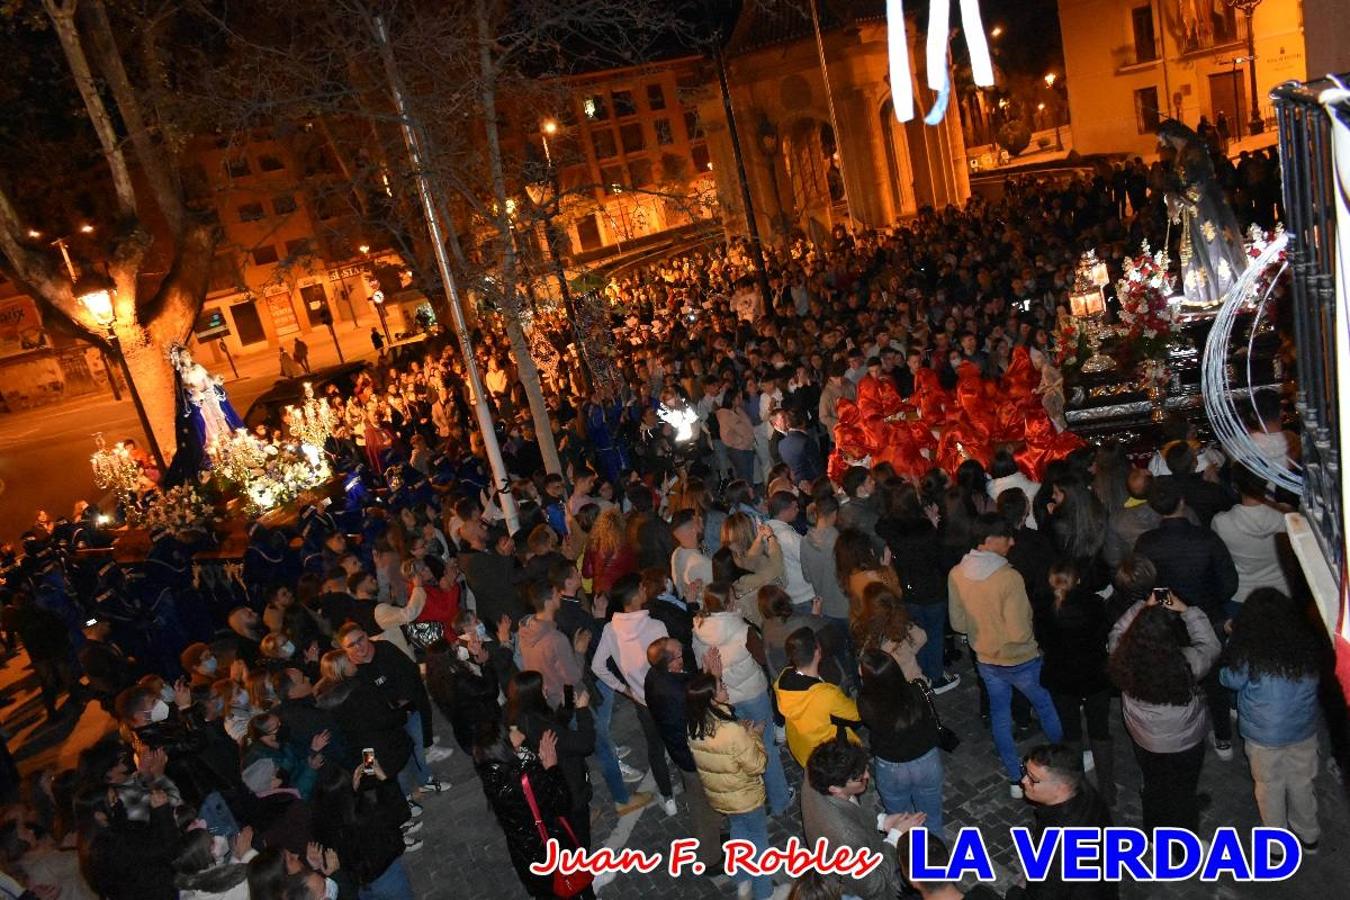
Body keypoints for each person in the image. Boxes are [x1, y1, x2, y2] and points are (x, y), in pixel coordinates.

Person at [948, 514, 1063, 797]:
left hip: (986, 658)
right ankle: (1061, 765)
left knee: (1000, 716)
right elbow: (1019, 630)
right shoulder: (1008, 577)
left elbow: (959, 624)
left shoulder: (957, 573)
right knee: (1046, 705)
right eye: (1007, 537)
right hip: (1020, 659)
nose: (1012, 542)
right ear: (989, 541)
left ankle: (1015, 778)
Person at [1220, 588, 1325, 852]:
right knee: (1302, 781)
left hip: (1263, 733)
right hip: (1303, 729)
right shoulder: (1309, 646)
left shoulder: (1251, 650)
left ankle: (1277, 846)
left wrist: (1233, 641)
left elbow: (1229, 680)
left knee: (1270, 786)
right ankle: (1308, 834)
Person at [1108, 589, 1220, 834]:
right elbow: (1210, 646)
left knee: (1153, 785)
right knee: (1184, 789)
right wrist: (1188, 611)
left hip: (1144, 738)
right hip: (1184, 741)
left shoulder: (1122, 657)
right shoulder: (1187, 662)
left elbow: (1116, 631)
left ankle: (1153, 830)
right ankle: (1182, 844)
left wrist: (1142, 608)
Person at [691, 582, 791, 815]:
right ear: (728, 602)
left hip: (724, 697)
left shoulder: (698, 627)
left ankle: (751, 795)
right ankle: (780, 799)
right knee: (765, 745)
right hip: (752, 694)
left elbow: (700, 663)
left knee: (740, 747)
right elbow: (762, 659)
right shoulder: (741, 628)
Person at [589, 575, 677, 816]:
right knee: (678, 741)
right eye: (641, 586)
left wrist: (624, 689)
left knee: (655, 748)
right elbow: (672, 661)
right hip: (667, 696)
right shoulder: (656, 626)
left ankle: (668, 799)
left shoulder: (610, 629)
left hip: (641, 700)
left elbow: (598, 666)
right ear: (635, 595)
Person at [684, 670, 773, 900]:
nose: (725, 687)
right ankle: (765, 892)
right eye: (721, 686)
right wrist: (754, 736)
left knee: (738, 832)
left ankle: (742, 880)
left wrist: (741, 731)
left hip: (722, 796)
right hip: (745, 796)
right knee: (758, 839)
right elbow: (757, 765)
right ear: (712, 699)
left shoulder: (694, 727)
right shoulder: (732, 732)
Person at [474, 723, 588, 899]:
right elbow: (562, 803)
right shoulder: (527, 778)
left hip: (525, 854)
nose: (514, 727)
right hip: (550, 849)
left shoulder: (491, 773)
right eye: (509, 731)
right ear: (505, 747)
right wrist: (551, 767)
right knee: (566, 888)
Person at [800, 738, 922, 900]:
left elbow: (851, 811)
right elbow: (873, 885)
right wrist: (895, 838)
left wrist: (882, 821)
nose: (867, 775)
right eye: (858, 777)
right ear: (835, 788)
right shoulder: (845, 838)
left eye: (864, 768)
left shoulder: (813, 772)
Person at [1034, 561, 1116, 805]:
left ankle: (1077, 791)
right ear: (1078, 580)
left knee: (1071, 733)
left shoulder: (1043, 607)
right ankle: (1108, 791)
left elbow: (1042, 640)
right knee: (1100, 730)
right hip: (1094, 676)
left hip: (1061, 677)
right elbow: (1104, 634)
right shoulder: (1095, 604)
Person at [506, 671, 597, 850]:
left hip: (552, 788)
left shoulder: (519, 715)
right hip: (570, 790)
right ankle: (585, 871)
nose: (546, 688)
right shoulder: (541, 726)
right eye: (542, 686)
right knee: (579, 837)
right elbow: (585, 744)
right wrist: (582, 710)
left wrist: (566, 708)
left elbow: (556, 732)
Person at [856, 648, 943, 834]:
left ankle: (911, 859)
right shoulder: (916, 689)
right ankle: (937, 859)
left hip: (892, 766)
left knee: (902, 824)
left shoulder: (866, 702)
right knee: (932, 819)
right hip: (925, 759)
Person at [1017, 744, 1118, 900]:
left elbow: (1042, 894)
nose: (1023, 780)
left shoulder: (1057, 849)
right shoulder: (1085, 792)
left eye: (1033, 779)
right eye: (1024, 771)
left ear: (1061, 788)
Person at [774, 626, 860, 767]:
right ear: (817, 651)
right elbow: (855, 714)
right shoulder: (825, 694)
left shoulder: (783, 677)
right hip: (826, 754)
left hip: (801, 748)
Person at [1210, 464, 1291, 613]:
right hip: (1282, 592)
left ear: (1235, 487)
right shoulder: (1287, 518)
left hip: (1242, 596)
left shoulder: (1221, 522)